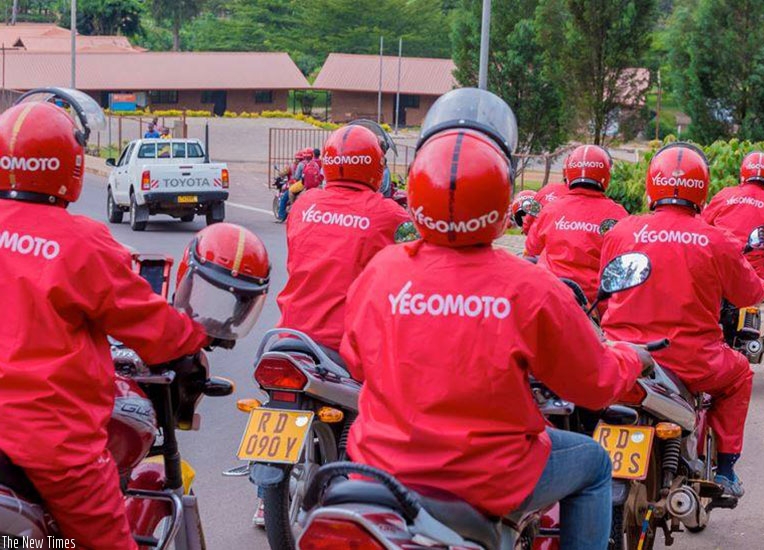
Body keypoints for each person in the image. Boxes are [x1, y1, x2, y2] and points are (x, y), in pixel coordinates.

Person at [341, 88, 649, 549]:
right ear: (502, 198)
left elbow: (357, 362)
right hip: (489, 480)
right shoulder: (530, 289)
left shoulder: (382, 273)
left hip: (381, 473)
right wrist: (630, 357)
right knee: (595, 464)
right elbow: (595, 383)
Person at [0, 92, 209, 549]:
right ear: (70, 164)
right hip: (48, 442)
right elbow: (148, 320)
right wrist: (192, 342)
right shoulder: (81, 243)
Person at [251, 124, 410, 526]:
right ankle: (366, 493)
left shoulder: (304, 206)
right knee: (387, 409)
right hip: (345, 345)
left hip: (288, 335)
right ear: (376, 167)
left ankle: (262, 497)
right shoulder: (388, 214)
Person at [599, 143, 764, 498]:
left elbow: (606, 291)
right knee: (740, 375)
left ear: (651, 186)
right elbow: (749, 294)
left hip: (622, 354)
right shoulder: (716, 239)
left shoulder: (621, 232)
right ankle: (725, 471)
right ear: (702, 190)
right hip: (693, 361)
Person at [703, 151, 764, 348]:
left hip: (717, 267)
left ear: (743, 174)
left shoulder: (724, 195)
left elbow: (702, 225)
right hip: (754, 270)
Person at [525, 145, 628, 304]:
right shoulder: (618, 214)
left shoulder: (551, 207)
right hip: (594, 304)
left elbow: (532, 247)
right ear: (606, 175)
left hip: (550, 295)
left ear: (568, 172)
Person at [275, 148, 312, 222]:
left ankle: (281, 215)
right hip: (308, 184)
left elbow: (294, 176)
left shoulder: (292, 166)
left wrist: (279, 173)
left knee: (284, 199)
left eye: (298, 159)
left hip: (294, 185)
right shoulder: (310, 164)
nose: (297, 160)